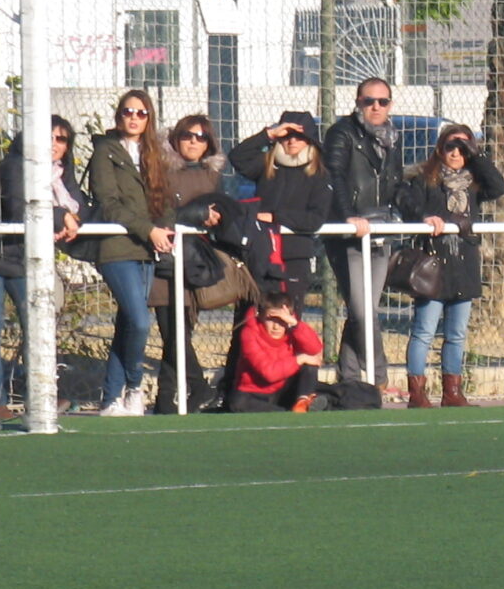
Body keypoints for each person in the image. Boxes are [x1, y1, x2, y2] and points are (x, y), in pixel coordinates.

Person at [392, 124, 504, 409]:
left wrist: (476, 156)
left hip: (464, 265)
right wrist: (426, 217)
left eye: (463, 148)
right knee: (424, 330)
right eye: (450, 147)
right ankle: (417, 393)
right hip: (433, 265)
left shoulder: (474, 182)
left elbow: (499, 186)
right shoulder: (425, 179)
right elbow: (405, 203)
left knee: (456, 334)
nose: (456, 153)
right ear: (439, 149)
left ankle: (452, 392)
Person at [0, 115, 85, 417]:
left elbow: (79, 206)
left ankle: (41, 397)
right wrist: (59, 216)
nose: (54, 144)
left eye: (61, 139)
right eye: (49, 137)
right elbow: (19, 208)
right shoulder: (16, 165)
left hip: (28, 259)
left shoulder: (62, 174)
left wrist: (73, 219)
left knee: (38, 325)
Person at [85, 90, 174, 417]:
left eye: (141, 113)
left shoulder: (155, 154)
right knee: (139, 321)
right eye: (128, 112)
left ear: (149, 118)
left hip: (146, 250)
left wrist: (164, 229)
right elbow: (109, 203)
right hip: (116, 246)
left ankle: (111, 400)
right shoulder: (105, 151)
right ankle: (135, 385)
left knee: (127, 324)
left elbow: (163, 201)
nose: (134, 118)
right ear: (119, 115)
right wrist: (147, 229)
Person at [321, 78, 406, 407]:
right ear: (358, 101)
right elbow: (335, 176)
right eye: (370, 101)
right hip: (349, 234)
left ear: (390, 105)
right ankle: (380, 377)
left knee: (365, 311)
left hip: (381, 231)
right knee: (361, 309)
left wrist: (422, 215)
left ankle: (350, 379)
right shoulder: (342, 133)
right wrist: (348, 218)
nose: (376, 107)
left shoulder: (393, 137)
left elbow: (396, 184)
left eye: (382, 102)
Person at [154, 115, 240, 414]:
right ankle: (199, 385)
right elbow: (159, 212)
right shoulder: (160, 170)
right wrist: (194, 214)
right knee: (171, 331)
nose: (194, 141)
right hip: (165, 260)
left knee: (181, 333)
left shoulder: (211, 175)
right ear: (176, 139)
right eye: (188, 135)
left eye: (201, 137)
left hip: (196, 264)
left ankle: (165, 403)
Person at [230, 109, 334, 307]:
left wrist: (276, 217)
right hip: (261, 251)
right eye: (286, 136)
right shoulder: (268, 163)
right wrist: (268, 134)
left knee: (289, 314)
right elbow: (237, 157)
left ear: (310, 140)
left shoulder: (320, 174)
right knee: (254, 311)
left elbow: (315, 218)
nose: (292, 141)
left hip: (295, 254)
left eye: (299, 137)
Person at [225, 290, 323, 412]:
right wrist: (300, 358)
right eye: (271, 320)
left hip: (281, 390)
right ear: (260, 316)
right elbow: (269, 374)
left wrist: (295, 324)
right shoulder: (249, 333)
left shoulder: (292, 329)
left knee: (310, 365)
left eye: (281, 320)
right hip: (253, 393)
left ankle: (303, 402)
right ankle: (286, 412)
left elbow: (315, 350)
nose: (276, 327)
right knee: (237, 403)